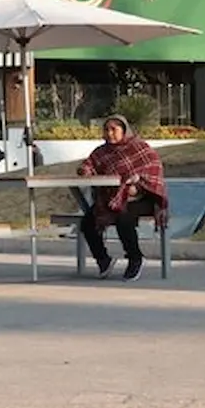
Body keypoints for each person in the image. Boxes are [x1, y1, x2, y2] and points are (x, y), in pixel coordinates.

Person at [76, 114, 168, 282]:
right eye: (106, 129)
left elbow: (153, 170)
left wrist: (138, 184)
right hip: (112, 199)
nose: (109, 133)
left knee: (122, 216)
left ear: (124, 130)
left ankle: (135, 258)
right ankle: (104, 260)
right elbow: (88, 165)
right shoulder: (101, 152)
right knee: (88, 222)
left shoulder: (140, 148)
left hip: (143, 198)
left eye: (114, 129)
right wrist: (84, 170)